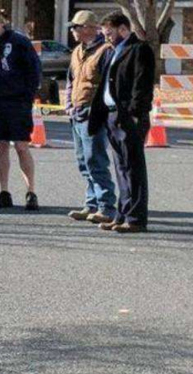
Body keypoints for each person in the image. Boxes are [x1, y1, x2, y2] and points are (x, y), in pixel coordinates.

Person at [89, 11, 155, 233]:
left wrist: (135, 114)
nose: (107, 38)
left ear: (124, 29)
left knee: (133, 168)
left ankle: (136, 219)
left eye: (110, 33)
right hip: (111, 115)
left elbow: (142, 84)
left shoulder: (139, 50)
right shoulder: (112, 52)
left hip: (128, 116)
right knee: (121, 168)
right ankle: (122, 214)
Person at [0, 8, 41, 211]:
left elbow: (34, 71)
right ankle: (4, 192)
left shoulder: (19, 42)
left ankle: (31, 191)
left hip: (18, 102)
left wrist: (26, 97)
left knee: (21, 146)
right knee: (1, 146)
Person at [64, 10, 117, 223]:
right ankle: (91, 203)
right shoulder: (78, 51)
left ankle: (106, 206)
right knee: (83, 161)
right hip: (77, 112)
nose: (73, 31)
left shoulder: (105, 51)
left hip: (93, 114)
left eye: (76, 27)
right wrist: (68, 104)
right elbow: (71, 80)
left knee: (95, 160)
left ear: (88, 28)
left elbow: (107, 85)